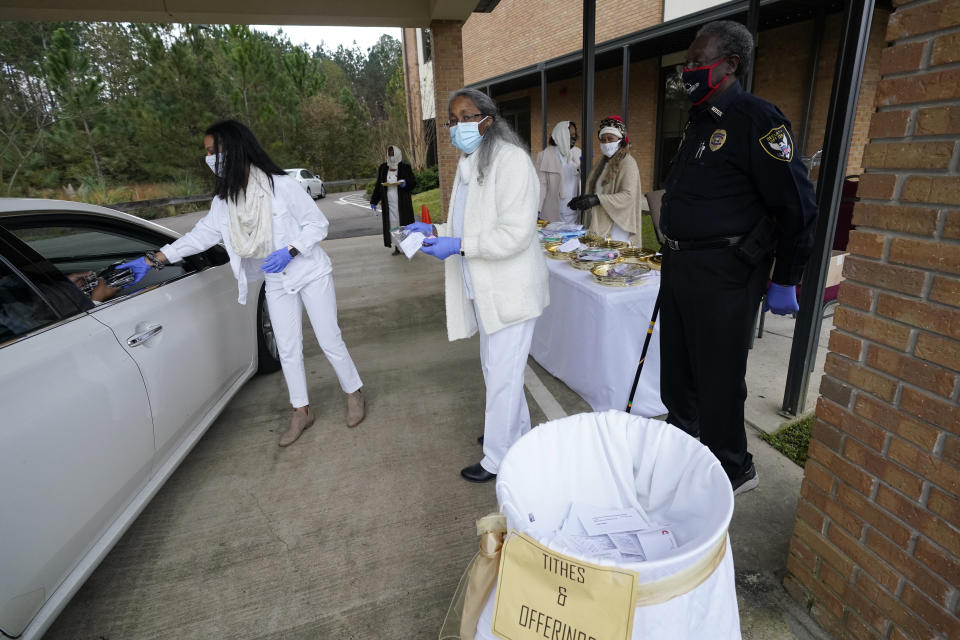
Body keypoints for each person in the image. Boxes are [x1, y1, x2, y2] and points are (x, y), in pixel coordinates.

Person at [118, 120, 366, 447]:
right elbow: (202, 235)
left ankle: (354, 392)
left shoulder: (282, 186)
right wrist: (156, 259)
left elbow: (317, 225)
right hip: (275, 279)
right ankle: (301, 411)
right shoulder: (225, 201)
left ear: (235, 148)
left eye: (214, 151)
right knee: (288, 348)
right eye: (207, 153)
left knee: (328, 338)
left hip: (310, 272)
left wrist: (291, 250)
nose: (210, 159)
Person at [658, 21, 817, 495]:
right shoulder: (698, 120)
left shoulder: (757, 119)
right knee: (678, 368)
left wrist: (787, 276)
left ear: (729, 63)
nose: (687, 70)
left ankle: (733, 466)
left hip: (726, 272)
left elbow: (797, 204)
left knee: (718, 374)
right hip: (682, 265)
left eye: (696, 60)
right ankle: (684, 445)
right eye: (685, 62)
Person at [405, 88, 549, 483]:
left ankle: (498, 459)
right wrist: (435, 231)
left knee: (502, 374)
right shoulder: (473, 164)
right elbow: (470, 227)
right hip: (485, 290)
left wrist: (459, 245)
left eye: (467, 116)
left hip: (511, 290)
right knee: (498, 370)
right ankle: (513, 434)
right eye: (453, 120)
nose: (458, 127)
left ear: (488, 118)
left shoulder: (511, 161)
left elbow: (515, 234)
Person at [567, 115, 643, 245]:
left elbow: (628, 196)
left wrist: (597, 199)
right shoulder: (602, 163)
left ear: (620, 140)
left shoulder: (627, 162)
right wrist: (584, 199)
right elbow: (596, 188)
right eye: (603, 140)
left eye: (610, 139)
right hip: (602, 222)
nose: (606, 143)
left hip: (617, 228)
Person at [370, 145, 417, 255]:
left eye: (393, 153)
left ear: (398, 154)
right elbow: (378, 186)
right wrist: (374, 200)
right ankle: (397, 246)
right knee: (392, 224)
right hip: (388, 202)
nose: (391, 156)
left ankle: (406, 247)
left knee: (403, 223)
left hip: (402, 201)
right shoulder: (383, 168)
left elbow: (413, 182)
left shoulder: (405, 167)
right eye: (389, 154)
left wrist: (405, 183)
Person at [535, 121, 581, 224]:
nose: (573, 138)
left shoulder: (578, 153)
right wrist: (537, 210)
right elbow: (541, 185)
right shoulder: (545, 155)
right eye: (570, 135)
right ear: (560, 135)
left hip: (574, 213)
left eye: (574, 135)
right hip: (553, 213)